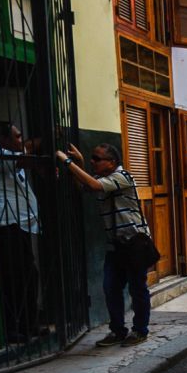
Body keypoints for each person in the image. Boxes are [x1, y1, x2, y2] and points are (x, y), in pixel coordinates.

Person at [57, 141, 152, 347]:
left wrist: (68, 163)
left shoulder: (123, 177)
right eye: (92, 158)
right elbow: (84, 187)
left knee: (137, 289)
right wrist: (80, 163)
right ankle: (118, 331)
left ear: (111, 162)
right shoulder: (103, 177)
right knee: (110, 288)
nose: (94, 162)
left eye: (97, 159)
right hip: (116, 245)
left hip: (135, 242)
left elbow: (93, 185)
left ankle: (140, 330)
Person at [0, 122, 40, 342]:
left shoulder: (9, 156)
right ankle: (15, 328)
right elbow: (22, 159)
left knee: (27, 276)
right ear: (3, 139)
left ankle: (29, 324)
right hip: (5, 224)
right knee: (14, 278)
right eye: (17, 136)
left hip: (19, 224)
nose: (20, 140)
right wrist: (40, 142)